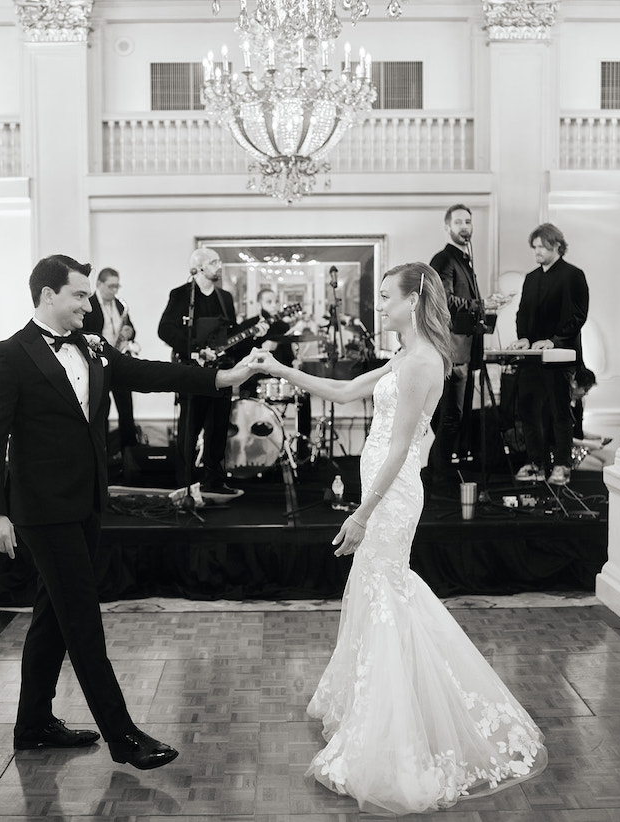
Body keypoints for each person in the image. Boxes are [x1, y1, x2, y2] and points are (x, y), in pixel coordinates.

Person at [246, 262, 547, 814]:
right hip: (383, 494)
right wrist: (280, 369)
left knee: (387, 591)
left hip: (390, 499)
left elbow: (403, 449)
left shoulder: (424, 363)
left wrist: (362, 514)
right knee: (380, 591)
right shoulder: (406, 357)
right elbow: (341, 389)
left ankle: (398, 728)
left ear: (413, 301)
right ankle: (388, 706)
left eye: (387, 297)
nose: (379, 305)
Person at [0, 254, 253, 769]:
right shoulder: (8, 356)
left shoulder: (93, 349)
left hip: (86, 505)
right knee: (82, 619)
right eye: (79, 295)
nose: (88, 305)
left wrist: (221, 378)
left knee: (52, 617)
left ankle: (32, 723)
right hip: (41, 511)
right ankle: (123, 737)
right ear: (47, 296)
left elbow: (150, 374)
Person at [157, 248, 263, 494]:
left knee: (218, 430)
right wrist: (194, 347)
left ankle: (214, 481)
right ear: (200, 267)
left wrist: (252, 334)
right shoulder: (182, 295)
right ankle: (185, 484)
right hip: (192, 372)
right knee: (189, 429)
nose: (219, 266)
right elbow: (165, 329)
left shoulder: (225, 298)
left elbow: (232, 335)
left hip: (222, 372)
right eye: (214, 262)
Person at [509, 223, 589, 486]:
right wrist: (523, 338)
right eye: (535, 247)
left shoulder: (573, 275)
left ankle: (562, 466)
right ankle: (536, 464)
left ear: (556, 245)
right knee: (529, 411)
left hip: (560, 357)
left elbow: (577, 316)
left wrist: (553, 341)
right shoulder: (531, 278)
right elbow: (522, 313)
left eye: (542, 246)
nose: (537, 252)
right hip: (532, 358)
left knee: (559, 412)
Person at [427, 204, 489, 494]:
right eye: (459, 222)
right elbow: (443, 299)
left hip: (464, 348)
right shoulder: (444, 259)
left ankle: (436, 471)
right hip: (452, 351)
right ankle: (441, 477)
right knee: (450, 416)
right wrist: (480, 305)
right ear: (447, 227)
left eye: (468, 221)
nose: (465, 226)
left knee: (453, 417)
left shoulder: (464, 260)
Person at [238, 288, 313, 459]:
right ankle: (255, 447)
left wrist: (295, 362)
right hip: (255, 380)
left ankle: (303, 450)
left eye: (275, 302)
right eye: (268, 302)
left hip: (279, 380)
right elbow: (240, 354)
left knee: (304, 397)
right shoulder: (249, 326)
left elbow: (288, 358)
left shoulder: (282, 327)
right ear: (259, 304)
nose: (273, 305)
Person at [82, 267, 139, 452]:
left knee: (126, 410)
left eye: (117, 286)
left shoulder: (120, 305)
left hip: (119, 360)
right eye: (111, 286)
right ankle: (102, 453)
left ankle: (130, 456)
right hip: (98, 363)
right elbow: (83, 334)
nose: (115, 291)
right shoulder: (89, 304)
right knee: (102, 410)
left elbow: (131, 328)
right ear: (99, 284)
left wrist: (129, 332)